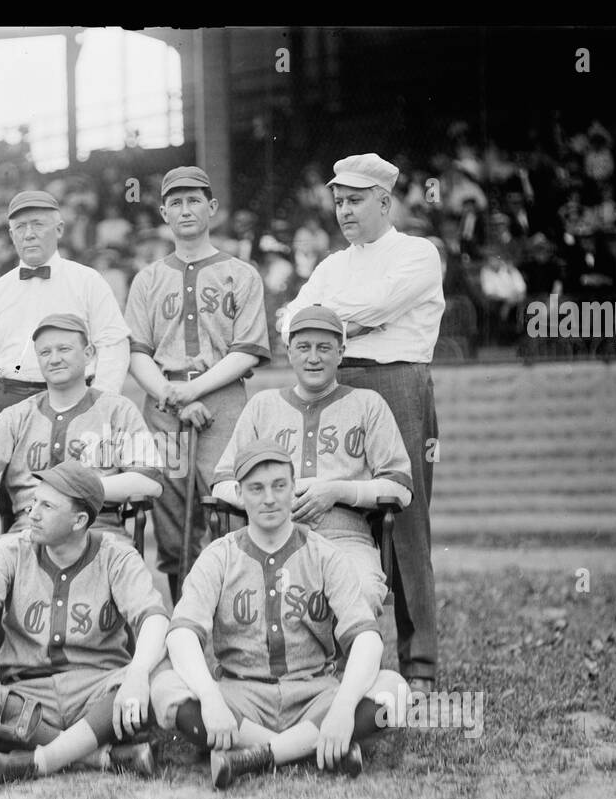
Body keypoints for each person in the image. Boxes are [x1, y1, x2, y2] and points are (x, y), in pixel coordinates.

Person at [151, 441, 408, 790]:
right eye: (256, 489)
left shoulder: (324, 554)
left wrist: (344, 708)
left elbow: (365, 638)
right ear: (240, 494)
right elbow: (181, 635)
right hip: (240, 695)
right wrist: (211, 701)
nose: (269, 498)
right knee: (164, 687)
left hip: (314, 693)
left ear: (293, 489)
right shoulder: (220, 556)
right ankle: (318, 746)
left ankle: (252, 754)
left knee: (396, 692)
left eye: (279, 486)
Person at [280, 153, 445, 692]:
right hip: (338, 384)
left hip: (398, 381)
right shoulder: (331, 265)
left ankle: (418, 662)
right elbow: (289, 320)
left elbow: (376, 308)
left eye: (355, 200)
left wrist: (326, 320)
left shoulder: (418, 254)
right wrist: (330, 324)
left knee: (405, 515)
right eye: (338, 200)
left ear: (383, 201)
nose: (344, 210)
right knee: (343, 514)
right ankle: (336, 655)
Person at [0, 461, 169, 786]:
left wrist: (136, 675)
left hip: (97, 688)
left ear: (80, 520)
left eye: (47, 506)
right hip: (28, 694)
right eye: (33, 501)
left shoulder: (117, 556)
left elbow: (153, 618)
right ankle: (97, 755)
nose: (32, 513)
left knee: (158, 678)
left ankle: (41, 759)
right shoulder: (8, 549)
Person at [124, 166, 270, 600]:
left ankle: (238, 609)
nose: (184, 209)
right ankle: (184, 621)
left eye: (193, 200)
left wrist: (195, 389)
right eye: (175, 202)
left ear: (212, 207)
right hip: (164, 402)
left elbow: (247, 349)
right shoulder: (148, 278)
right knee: (171, 515)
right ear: (164, 212)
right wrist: (173, 394)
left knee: (229, 502)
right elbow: (136, 352)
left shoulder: (240, 273)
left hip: (223, 403)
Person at [210, 305, 412, 618]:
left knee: (361, 590)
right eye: (303, 347)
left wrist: (337, 490)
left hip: (345, 538)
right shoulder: (262, 406)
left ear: (341, 352)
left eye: (324, 348)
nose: (313, 358)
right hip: (270, 538)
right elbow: (222, 483)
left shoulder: (367, 405)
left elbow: (400, 489)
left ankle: (346, 668)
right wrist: (273, 497)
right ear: (289, 351)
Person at [0, 313, 162, 559]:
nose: (54, 359)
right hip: (28, 531)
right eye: (45, 352)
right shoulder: (18, 415)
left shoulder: (117, 410)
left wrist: (71, 491)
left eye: (64, 349)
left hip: (98, 531)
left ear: (88, 354)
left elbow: (149, 481)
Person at [0, 191, 131, 449]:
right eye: (20, 227)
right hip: (9, 406)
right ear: (11, 235)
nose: (29, 234)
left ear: (59, 229)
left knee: (73, 486)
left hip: (76, 403)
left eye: (38, 224)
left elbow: (113, 346)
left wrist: (98, 411)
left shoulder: (88, 282)